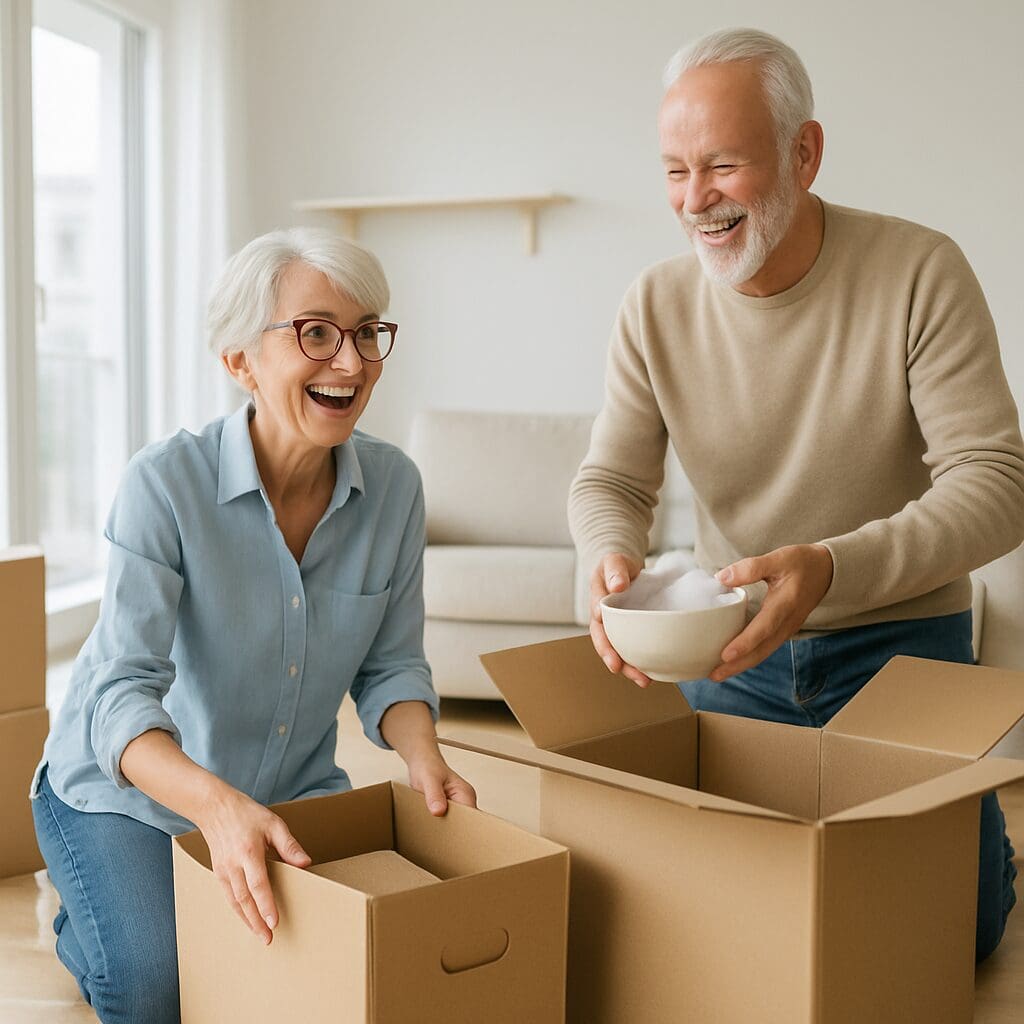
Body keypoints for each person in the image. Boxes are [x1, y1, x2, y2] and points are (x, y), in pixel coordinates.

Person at [570, 27, 1024, 962]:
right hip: (731, 654)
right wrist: (605, 555)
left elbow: (996, 481)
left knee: (953, 934)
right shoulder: (653, 305)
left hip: (902, 647)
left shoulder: (919, 271)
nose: (694, 200)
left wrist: (832, 567)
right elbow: (610, 479)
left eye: (722, 166)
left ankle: (986, 849)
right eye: (674, 172)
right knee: (717, 918)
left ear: (804, 153)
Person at [31, 227, 476, 1023]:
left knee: (347, 970)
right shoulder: (164, 485)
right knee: (158, 987)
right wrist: (217, 808)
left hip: (287, 794)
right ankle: (80, 918)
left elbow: (392, 667)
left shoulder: (396, 489)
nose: (351, 363)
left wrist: (424, 757)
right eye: (316, 333)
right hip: (127, 795)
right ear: (240, 361)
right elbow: (120, 698)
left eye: (366, 333)